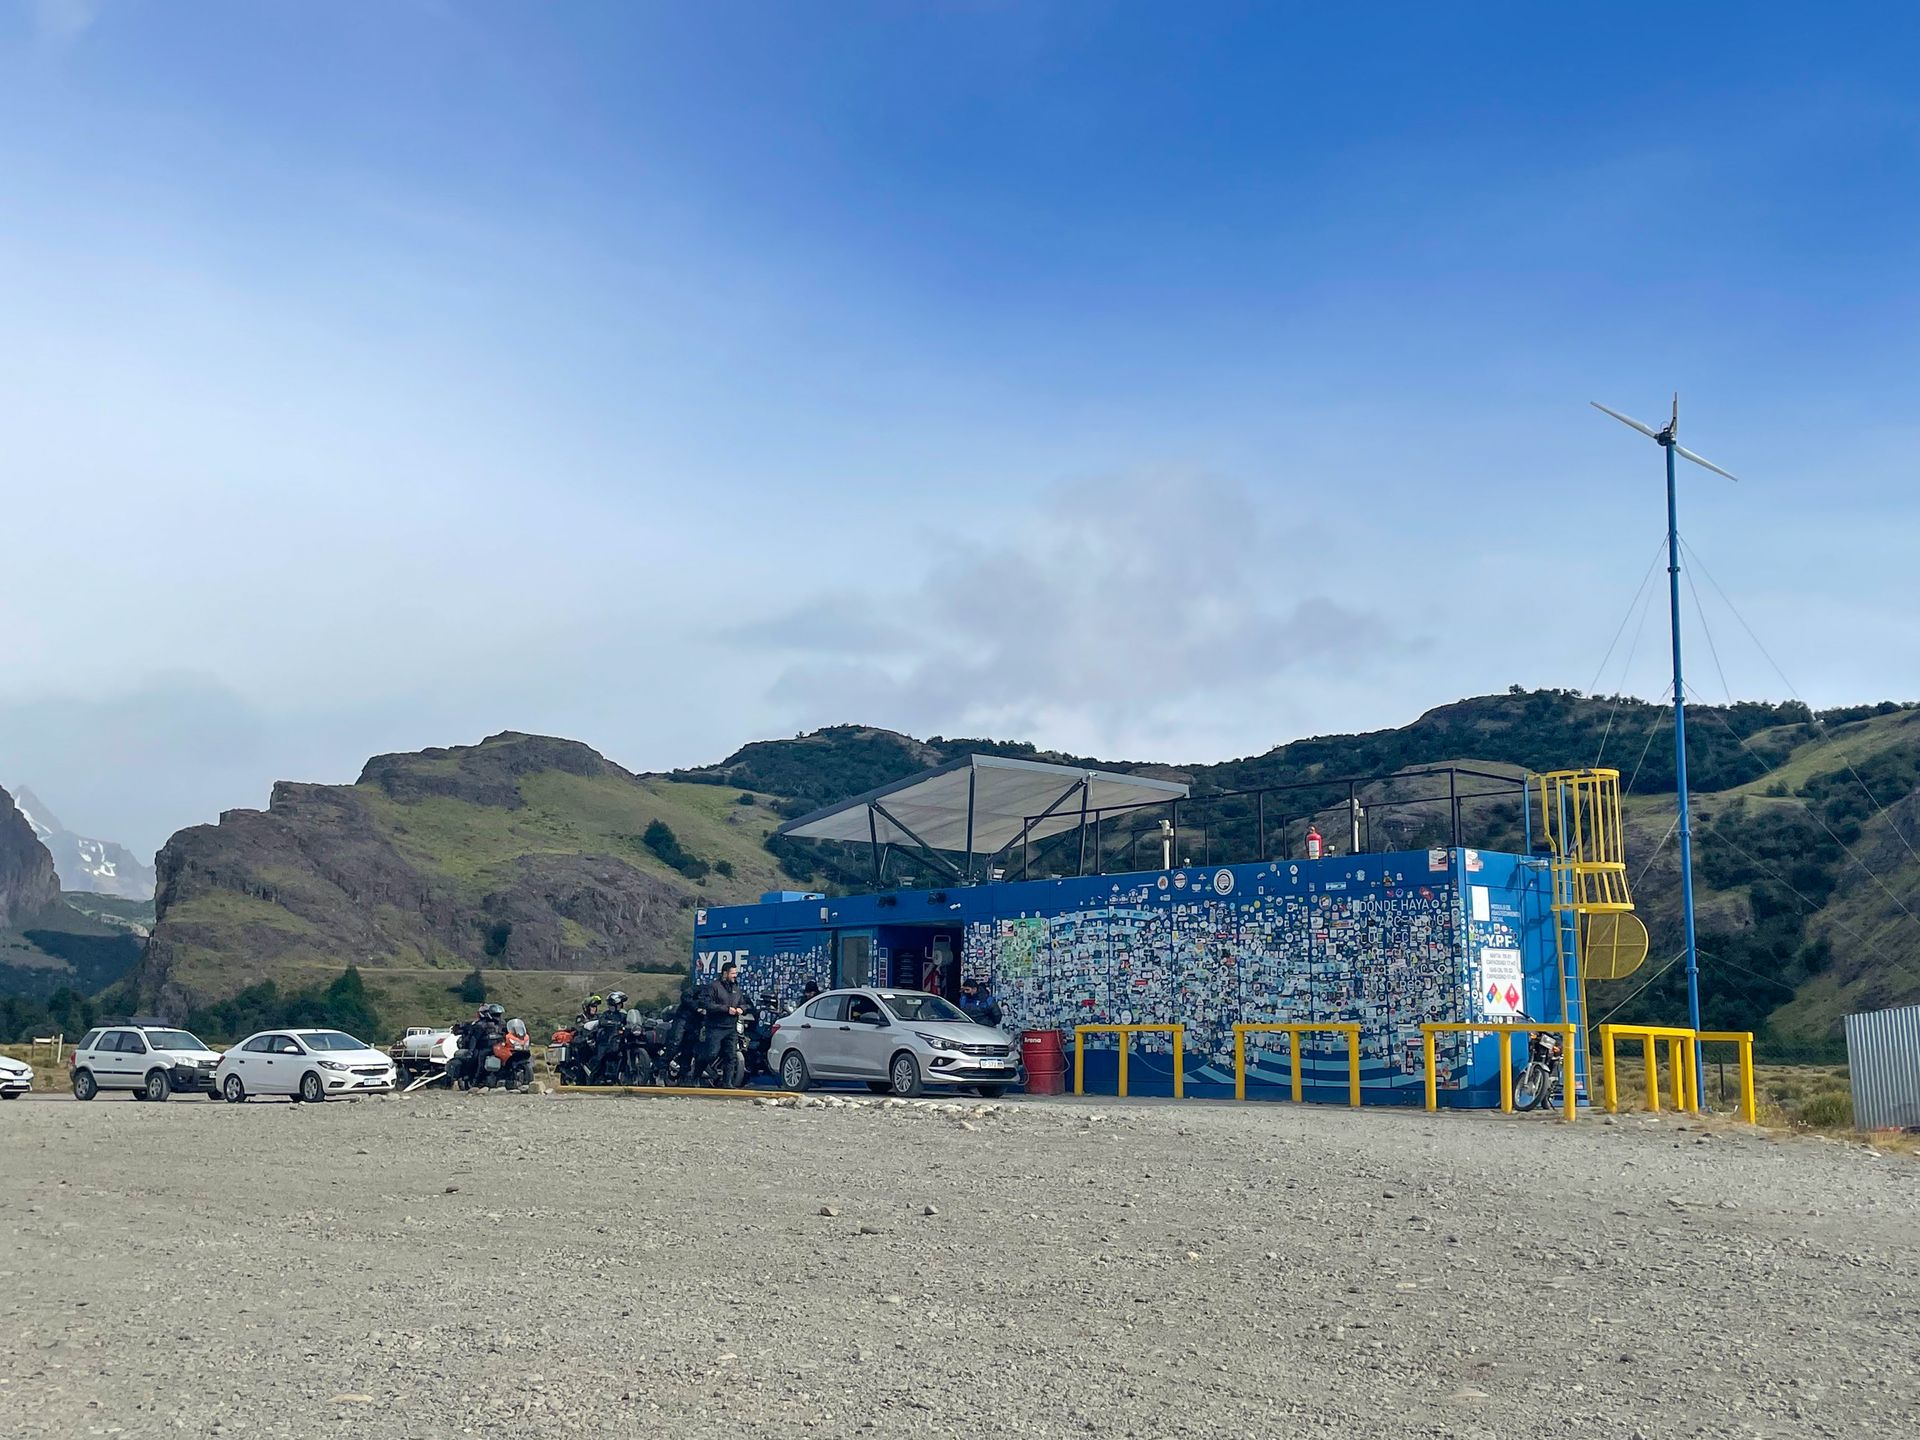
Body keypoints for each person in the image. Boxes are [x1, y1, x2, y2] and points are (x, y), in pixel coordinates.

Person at [695, 959, 746, 1085]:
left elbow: (744, 1003)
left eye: (736, 973)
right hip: (715, 1027)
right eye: (732, 973)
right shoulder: (713, 987)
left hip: (731, 1027)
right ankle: (696, 1073)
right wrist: (725, 1009)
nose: (735, 976)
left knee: (731, 1056)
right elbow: (706, 1003)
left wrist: (741, 1009)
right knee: (711, 1053)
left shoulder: (736, 988)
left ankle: (727, 1083)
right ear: (725, 973)